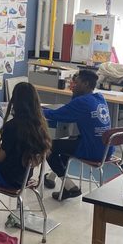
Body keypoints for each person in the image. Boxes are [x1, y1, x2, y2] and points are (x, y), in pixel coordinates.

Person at [0, 81, 51, 199]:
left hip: (9, 179)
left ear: (15, 101)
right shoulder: (40, 125)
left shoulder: (12, 126)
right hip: (24, 177)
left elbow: (0, 157)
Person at [42, 68, 113, 200]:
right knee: (69, 141)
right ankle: (52, 178)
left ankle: (70, 187)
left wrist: (35, 110)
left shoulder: (82, 102)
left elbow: (56, 115)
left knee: (48, 146)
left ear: (85, 84)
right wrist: (75, 94)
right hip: (106, 148)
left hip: (93, 150)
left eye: (77, 83)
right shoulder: (99, 98)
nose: (73, 85)